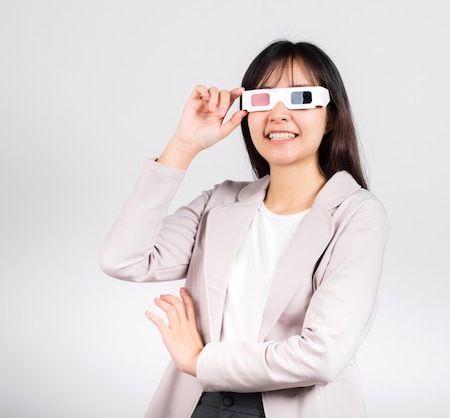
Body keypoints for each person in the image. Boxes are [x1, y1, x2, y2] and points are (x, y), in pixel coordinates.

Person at [100, 39, 389, 418]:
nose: (279, 114)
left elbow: (322, 356)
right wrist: (184, 146)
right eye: (262, 100)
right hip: (198, 404)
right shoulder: (219, 203)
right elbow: (123, 259)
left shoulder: (356, 215)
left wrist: (201, 360)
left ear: (330, 114)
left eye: (301, 97)